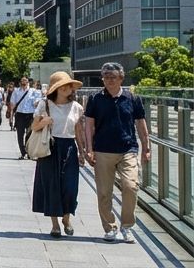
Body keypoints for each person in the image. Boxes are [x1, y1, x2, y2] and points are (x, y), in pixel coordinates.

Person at [84, 62, 151, 244]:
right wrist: (89, 148)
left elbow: (140, 123)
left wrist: (146, 146)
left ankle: (127, 226)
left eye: (113, 77)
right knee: (104, 192)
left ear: (122, 78)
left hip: (127, 148)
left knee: (130, 186)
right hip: (103, 149)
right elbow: (89, 125)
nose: (109, 80)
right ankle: (110, 227)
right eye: (106, 77)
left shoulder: (132, 98)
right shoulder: (95, 98)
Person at [31, 71, 85, 239]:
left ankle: (67, 218)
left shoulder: (76, 107)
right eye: (65, 85)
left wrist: (82, 151)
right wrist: (43, 122)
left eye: (70, 85)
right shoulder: (44, 104)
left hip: (69, 146)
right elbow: (34, 127)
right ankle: (55, 224)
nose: (68, 88)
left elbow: (78, 130)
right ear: (57, 88)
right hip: (50, 147)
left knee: (70, 187)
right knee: (51, 186)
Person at [10, 77, 43, 160]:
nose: (23, 82)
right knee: (20, 134)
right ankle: (23, 152)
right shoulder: (16, 91)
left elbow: (36, 103)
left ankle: (28, 152)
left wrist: (39, 101)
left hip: (30, 115)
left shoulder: (34, 91)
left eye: (25, 81)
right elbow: (12, 103)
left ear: (28, 82)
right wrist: (11, 115)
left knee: (29, 134)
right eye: (22, 81)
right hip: (20, 115)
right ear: (20, 83)